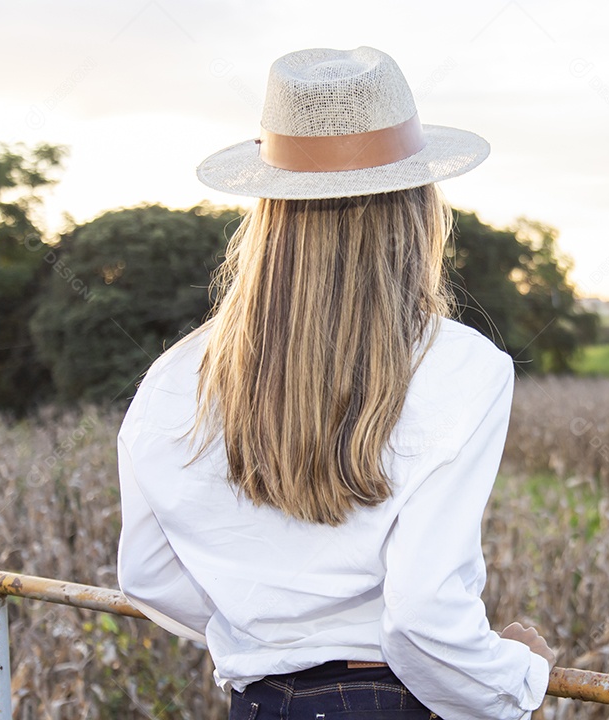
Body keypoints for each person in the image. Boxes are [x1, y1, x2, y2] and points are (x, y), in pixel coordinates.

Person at [115, 46, 555, 720]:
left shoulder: (178, 374)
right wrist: (520, 674)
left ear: (267, 213)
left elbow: (147, 575)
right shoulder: (462, 366)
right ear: (417, 208)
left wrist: (273, 632)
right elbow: (423, 616)